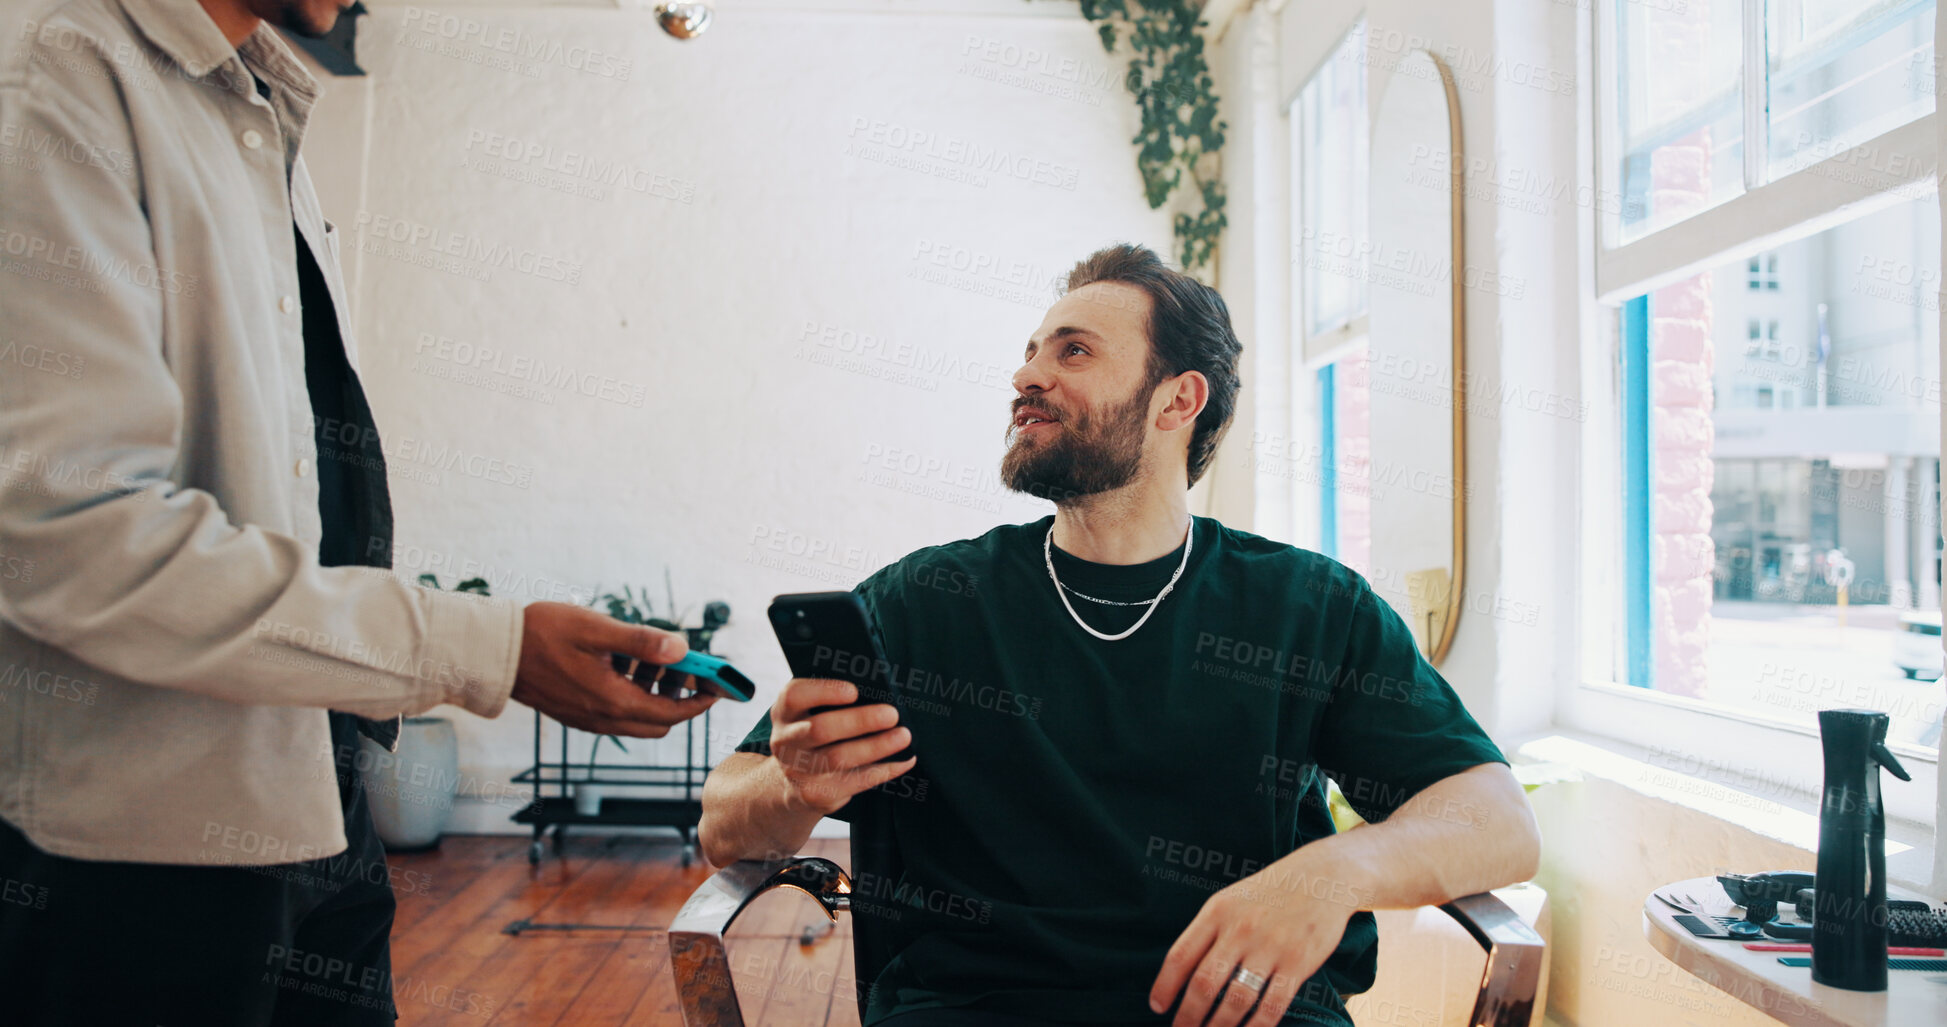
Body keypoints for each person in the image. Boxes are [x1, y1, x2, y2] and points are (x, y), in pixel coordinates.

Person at [0, 0, 717, 1022]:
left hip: (312, 789)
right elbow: (77, 536)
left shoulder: (259, 112)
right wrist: (493, 647)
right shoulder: (55, 74)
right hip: (133, 846)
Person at [699, 244, 1542, 1027]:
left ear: (1178, 398)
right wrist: (794, 786)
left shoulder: (1308, 607)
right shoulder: (926, 599)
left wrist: (1332, 873)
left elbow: (1499, 821)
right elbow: (722, 822)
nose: (1027, 375)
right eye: (1031, 351)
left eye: (1071, 352)